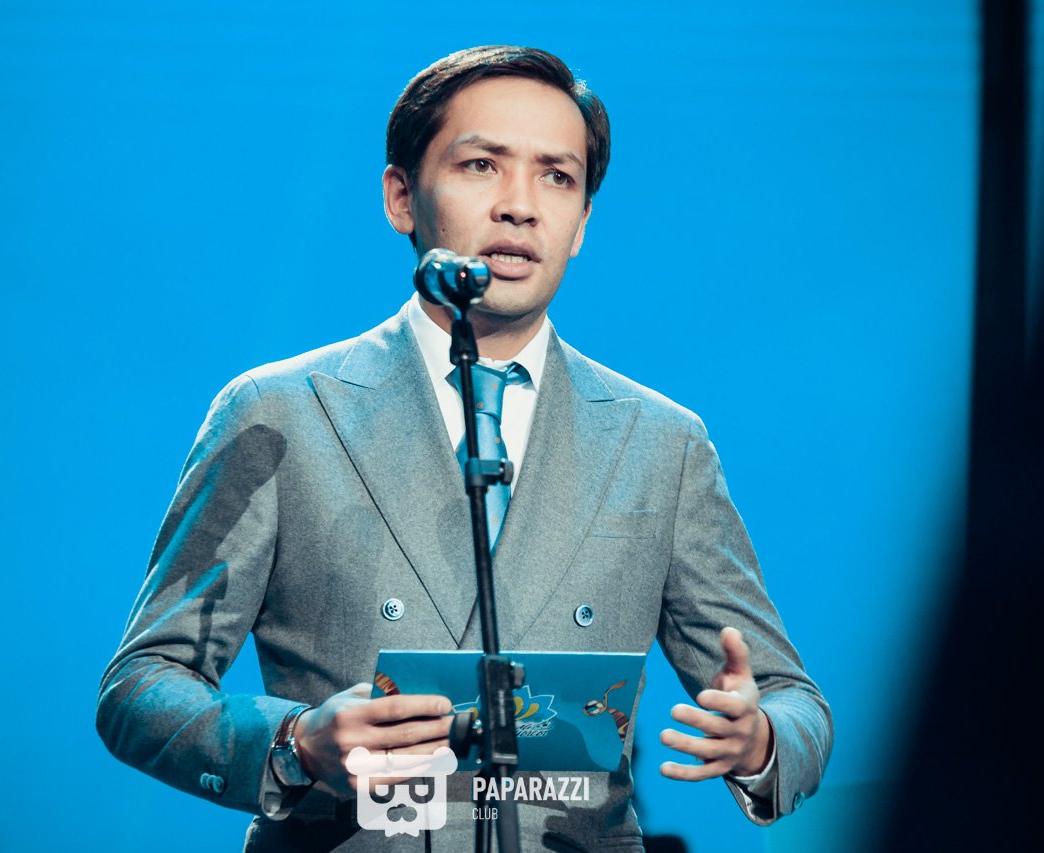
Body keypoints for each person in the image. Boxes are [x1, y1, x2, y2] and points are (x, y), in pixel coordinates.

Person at [96, 45, 832, 852]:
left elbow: (791, 699)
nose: (520, 206)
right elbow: (140, 686)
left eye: (557, 177)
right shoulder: (280, 413)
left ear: (583, 222)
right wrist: (297, 742)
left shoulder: (660, 440)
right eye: (482, 165)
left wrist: (761, 740)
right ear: (401, 196)